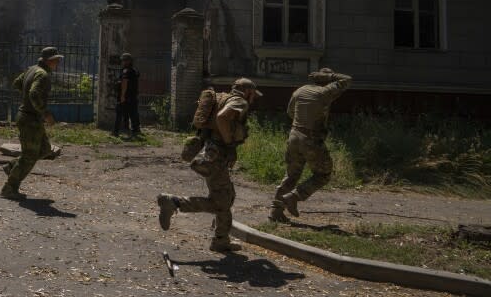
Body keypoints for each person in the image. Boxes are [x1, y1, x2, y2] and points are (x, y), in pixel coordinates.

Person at [156, 78, 261, 252]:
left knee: (226, 197)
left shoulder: (221, 98)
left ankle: (221, 240)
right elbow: (222, 118)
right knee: (221, 202)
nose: (254, 98)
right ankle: (173, 202)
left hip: (210, 153)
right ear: (248, 91)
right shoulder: (238, 101)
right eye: (253, 94)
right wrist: (228, 143)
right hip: (217, 157)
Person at [269, 68, 353, 223]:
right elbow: (347, 79)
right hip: (311, 138)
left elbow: (290, 112)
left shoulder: (300, 90)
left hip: (294, 136)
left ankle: (275, 211)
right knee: (323, 174)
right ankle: (294, 197)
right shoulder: (325, 92)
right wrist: (331, 76)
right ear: (326, 80)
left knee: (291, 175)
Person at [1, 46, 63, 200]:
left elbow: (17, 83)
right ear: (49, 61)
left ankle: (13, 167)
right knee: (29, 155)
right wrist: (45, 112)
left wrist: (28, 98)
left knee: (45, 149)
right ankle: (10, 188)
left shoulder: (32, 70)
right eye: (56, 60)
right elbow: (34, 93)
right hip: (30, 119)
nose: (57, 63)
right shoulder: (42, 75)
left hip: (28, 117)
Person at [112, 52, 141, 137]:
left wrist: (122, 96)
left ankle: (116, 131)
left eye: (124, 61)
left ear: (128, 61)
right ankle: (135, 130)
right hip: (133, 96)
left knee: (119, 113)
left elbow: (124, 83)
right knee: (133, 113)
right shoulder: (134, 70)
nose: (122, 62)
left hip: (126, 96)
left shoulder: (126, 71)